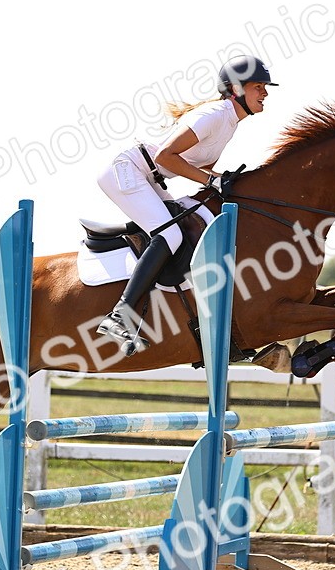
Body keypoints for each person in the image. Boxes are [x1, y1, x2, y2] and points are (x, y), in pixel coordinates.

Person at [95, 55, 277, 353]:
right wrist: (212, 181)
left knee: (189, 232)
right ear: (236, 88)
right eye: (259, 86)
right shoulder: (216, 114)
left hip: (149, 179)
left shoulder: (229, 123)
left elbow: (202, 171)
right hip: (129, 172)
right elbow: (165, 156)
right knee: (170, 234)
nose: (266, 93)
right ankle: (120, 315)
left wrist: (226, 181)